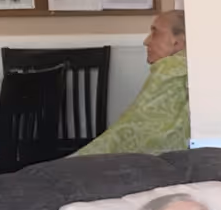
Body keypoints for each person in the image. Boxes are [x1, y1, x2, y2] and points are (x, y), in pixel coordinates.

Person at [79, 11, 189, 156]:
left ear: (178, 42)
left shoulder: (168, 68)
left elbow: (136, 131)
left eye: (155, 33)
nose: (146, 41)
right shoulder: (182, 65)